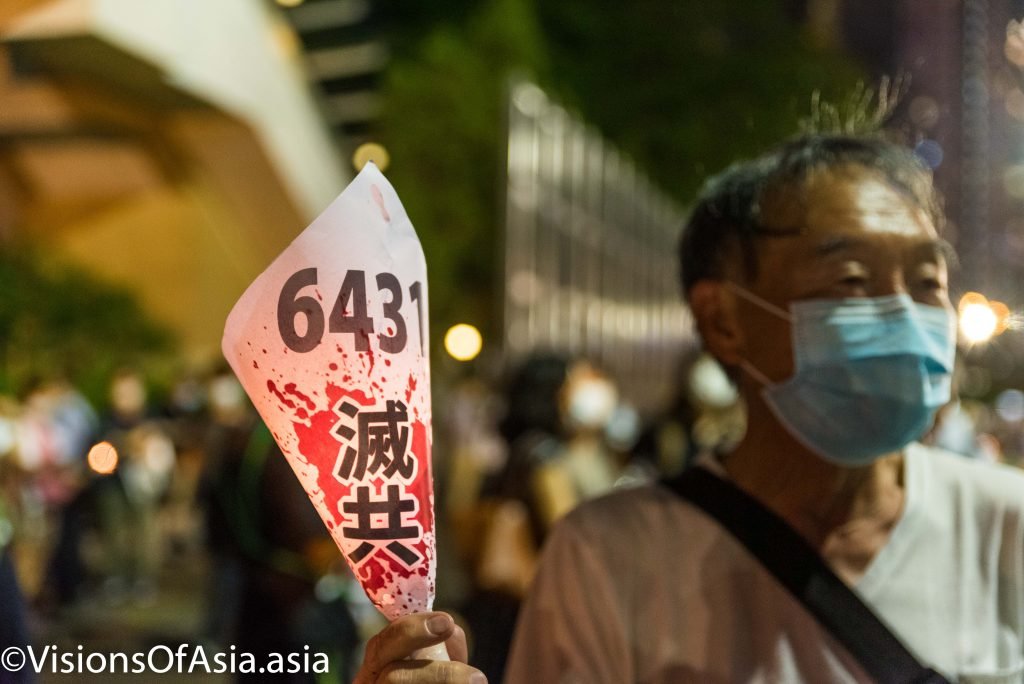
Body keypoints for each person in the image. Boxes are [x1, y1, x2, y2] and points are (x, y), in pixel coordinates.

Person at [352, 134, 1024, 683]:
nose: (906, 317)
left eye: (928, 281)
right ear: (725, 319)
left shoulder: (1010, 524)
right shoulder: (609, 559)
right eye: (851, 282)